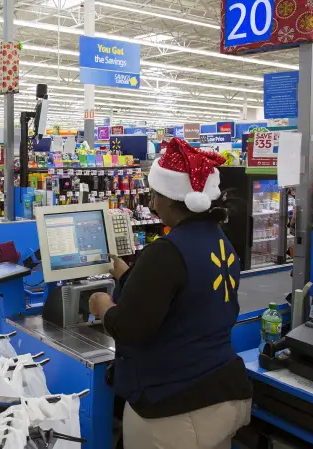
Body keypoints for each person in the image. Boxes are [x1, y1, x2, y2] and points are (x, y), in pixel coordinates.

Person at [89, 138, 252, 449]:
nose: (153, 203)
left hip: (176, 409)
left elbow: (129, 328)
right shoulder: (219, 241)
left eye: (155, 195)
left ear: (166, 198)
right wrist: (127, 275)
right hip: (224, 392)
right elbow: (189, 295)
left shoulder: (166, 252)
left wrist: (103, 306)